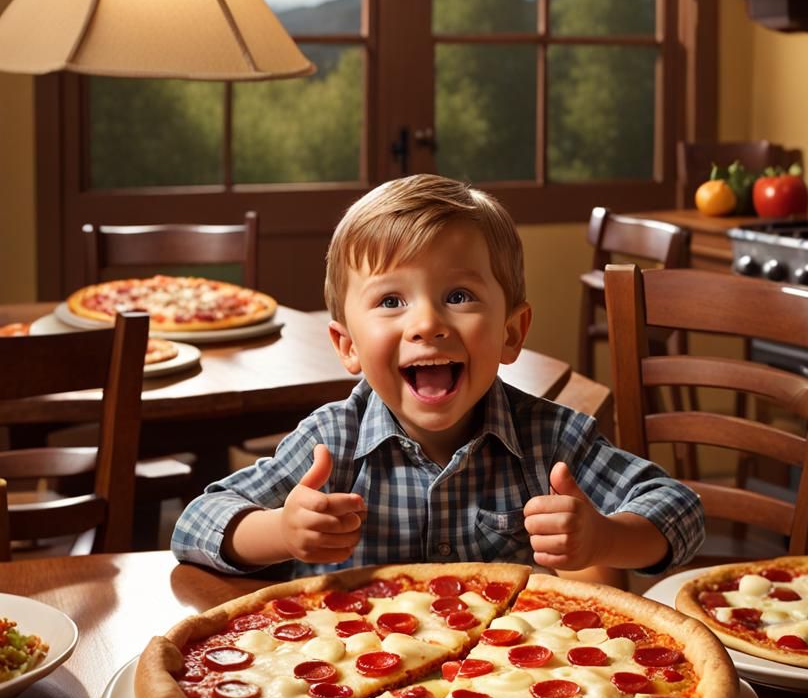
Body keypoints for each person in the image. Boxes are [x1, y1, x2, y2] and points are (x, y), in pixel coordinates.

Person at [171, 174, 703, 581]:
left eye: (458, 296)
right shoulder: (331, 443)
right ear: (348, 345)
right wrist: (279, 532)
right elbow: (194, 523)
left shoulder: (554, 441)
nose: (426, 323)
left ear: (512, 333)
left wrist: (606, 539)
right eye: (391, 300)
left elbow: (681, 509)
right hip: (347, 695)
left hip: (507, 694)